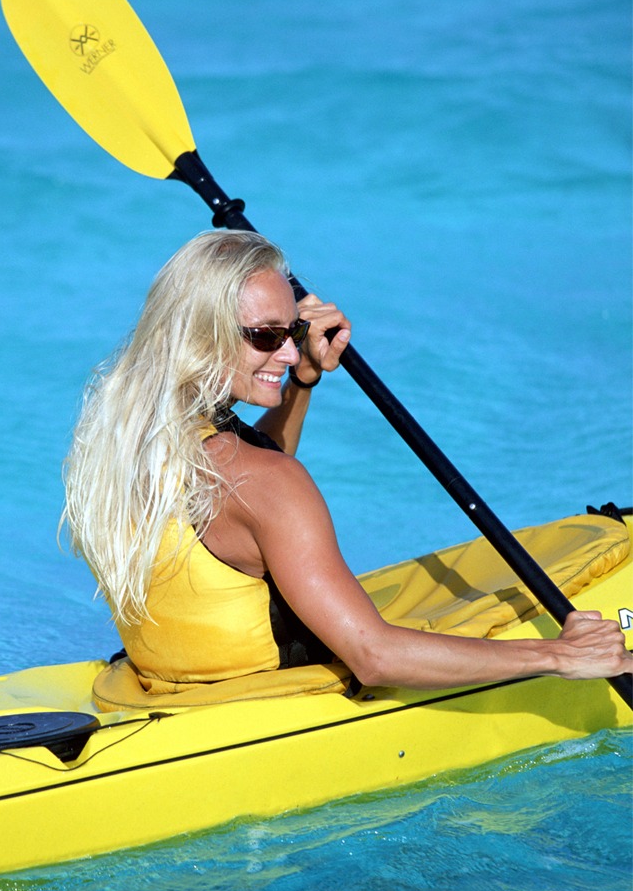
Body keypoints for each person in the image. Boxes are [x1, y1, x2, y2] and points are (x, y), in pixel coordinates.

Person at [62, 230, 630, 700]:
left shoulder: (124, 440)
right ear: (199, 335)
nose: (288, 353)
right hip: (275, 697)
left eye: (293, 332)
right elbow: (375, 657)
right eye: (266, 336)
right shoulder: (266, 482)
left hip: (174, 686)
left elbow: (235, 509)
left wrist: (302, 382)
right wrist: (559, 655)